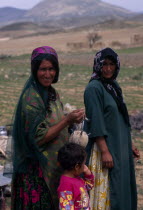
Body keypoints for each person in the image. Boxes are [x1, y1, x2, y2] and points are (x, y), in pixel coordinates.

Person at [10, 46, 84, 209]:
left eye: (51, 69)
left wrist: (72, 120)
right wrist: (66, 120)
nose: (48, 74)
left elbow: (55, 121)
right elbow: (39, 138)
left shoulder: (51, 93)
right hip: (37, 175)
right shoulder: (32, 98)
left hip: (53, 167)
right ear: (35, 70)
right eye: (43, 69)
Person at [84, 48, 140, 210]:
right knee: (110, 192)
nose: (108, 69)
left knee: (122, 186)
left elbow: (120, 120)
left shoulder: (113, 86)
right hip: (106, 149)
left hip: (119, 146)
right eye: (104, 64)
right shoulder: (94, 88)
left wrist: (129, 144)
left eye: (112, 64)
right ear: (97, 65)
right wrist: (104, 151)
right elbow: (96, 122)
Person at [57, 142, 94, 210]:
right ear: (77, 166)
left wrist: (88, 173)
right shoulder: (66, 185)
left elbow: (89, 186)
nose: (85, 166)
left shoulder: (77, 179)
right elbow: (66, 207)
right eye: (83, 164)